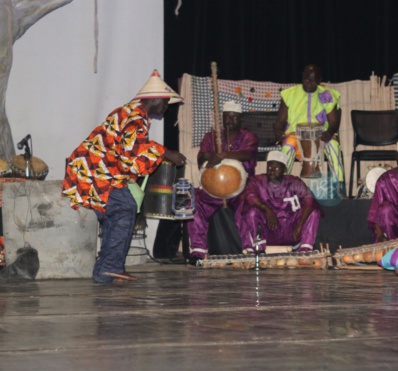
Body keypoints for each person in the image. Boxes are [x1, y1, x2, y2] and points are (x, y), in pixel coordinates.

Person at [62, 70, 187, 283]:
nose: (166, 107)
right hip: (95, 172)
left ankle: (106, 271)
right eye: (165, 102)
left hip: (95, 171)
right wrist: (167, 153)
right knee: (124, 208)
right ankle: (109, 268)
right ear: (154, 98)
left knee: (118, 211)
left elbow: (124, 152)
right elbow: (134, 147)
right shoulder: (137, 116)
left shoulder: (130, 112)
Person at [187, 100, 259, 263]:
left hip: (240, 189)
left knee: (248, 205)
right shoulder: (211, 136)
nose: (230, 120)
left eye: (234, 117)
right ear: (223, 118)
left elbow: (248, 154)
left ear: (241, 119)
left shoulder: (249, 136)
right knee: (195, 203)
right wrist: (210, 157)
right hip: (213, 190)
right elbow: (202, 155)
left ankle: (250, 251)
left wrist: (225, 155)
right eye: (227, 117)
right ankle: (198, 252)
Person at [235, 151, 321, 253]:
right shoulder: (257, 180)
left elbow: (309, 200)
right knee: (250, 211)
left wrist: (300, 224)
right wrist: (266, 209)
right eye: (270, 168)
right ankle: (259, 249)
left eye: (276, 168)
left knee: (313, 212)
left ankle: (305, 250)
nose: (272, 171)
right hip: (269, 232)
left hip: (291, 230)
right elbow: (250, 195)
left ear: (284, 169)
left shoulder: (294, 182)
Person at [274, 64, 344, 184]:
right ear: (302, 76)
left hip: (321, 135)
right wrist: (278, 130)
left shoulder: (327, 95)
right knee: (287, 147)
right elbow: (280, 121)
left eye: (312, 80)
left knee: (334, 147)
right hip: (295, 135)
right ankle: (281, 187)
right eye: (306, 78)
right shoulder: (289, 94)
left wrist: (330, 132)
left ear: (319, 81)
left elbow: (333, 122)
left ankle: (339, 187)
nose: (308, 82)